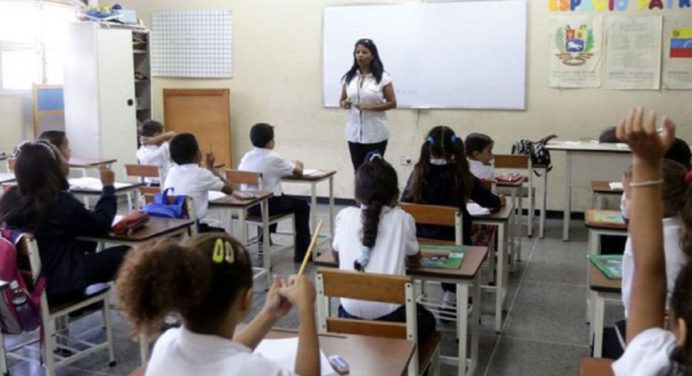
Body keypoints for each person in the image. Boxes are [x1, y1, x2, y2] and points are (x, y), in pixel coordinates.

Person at [116, 233, 320, 376]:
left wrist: (269, 314)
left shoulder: (166, 345)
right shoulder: (254, 370)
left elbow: (218, 355)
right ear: (246, 300)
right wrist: (306, 308)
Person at [611, 106, 692, 375]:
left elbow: (650, 272)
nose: (624, 202)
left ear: (679, 331)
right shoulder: (683, 231)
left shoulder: (654, 363)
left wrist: (645, 162)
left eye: (628, 195)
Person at [0, 141, 128, 303]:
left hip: (26, 285)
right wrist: (108, 188)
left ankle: (85, 304)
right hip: (60, 284)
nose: (67, 161)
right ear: (52, 168)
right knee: (128, 254)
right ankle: (142, 311)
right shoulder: (58, 201)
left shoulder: (10, 198)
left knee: (84, 245)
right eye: (62, 158)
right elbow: (101, 224)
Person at [331, 154, 436, 341]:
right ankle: (408, 366)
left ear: (355, 194)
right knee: (428, 321)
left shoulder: (344, 216)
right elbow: (414, 258)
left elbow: (335, 255)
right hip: (392, 318)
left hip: (349, 316)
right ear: (396, 194)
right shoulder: (402, 219)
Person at [402, 125, 504, 310]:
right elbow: (488, 201)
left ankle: (444, 297)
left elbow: (405, 204)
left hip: (420, 244)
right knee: (462, 240)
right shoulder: (460, 173)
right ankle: (451, 296)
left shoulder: (418, 172)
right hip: (454, 247)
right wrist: (500, 201)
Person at [238, 123, 311, 262]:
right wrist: (298, 163)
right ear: (270, 141)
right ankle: (303, 253)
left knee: (274, 196)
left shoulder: (246, 156)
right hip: (267, 205)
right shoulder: (273, 158)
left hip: (249, 205)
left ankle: (264, 239)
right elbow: (298, 172)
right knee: (302, 206)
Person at [339, 38, 397, 171]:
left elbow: (392, 103)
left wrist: (372, 107)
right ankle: (359, 192)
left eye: (364, 52)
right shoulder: (349, 77)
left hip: (375, 133)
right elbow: (341, 101)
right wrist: (345, 104)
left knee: (374, 172)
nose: (360, 55)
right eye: (357, 52)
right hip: (354, 134)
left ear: (373, 56)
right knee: (358, 171)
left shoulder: (383, 77)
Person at [163, 133, 236, 233]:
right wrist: (211, 168)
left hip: (171, 227)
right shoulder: (201, 174)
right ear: (197, 154)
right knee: (223, 237)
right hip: (192, 230)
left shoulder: (172, 171)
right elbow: (229, 188)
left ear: (172, 157)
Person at [136, 120, 175, 185]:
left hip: (148, 186)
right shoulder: (164, 148)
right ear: (157, 135)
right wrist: (156, 139)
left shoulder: (140, 151)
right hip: (166, 185)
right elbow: (173, 134)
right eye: (163, 133)